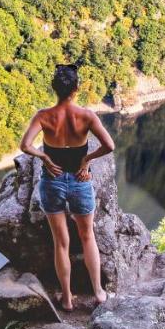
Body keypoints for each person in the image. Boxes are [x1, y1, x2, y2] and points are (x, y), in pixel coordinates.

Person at [19, 64, 116, 311]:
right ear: (76, 88)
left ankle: (66, 297)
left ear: (55, 89)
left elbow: (26, 145)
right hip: (80, 180)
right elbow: (109, 146)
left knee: (60, 242)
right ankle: (98, 292)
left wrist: (44, 158)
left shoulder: (43, 116)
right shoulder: (86, 116)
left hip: (52, 181)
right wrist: (87, 159)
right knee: (87, 236)